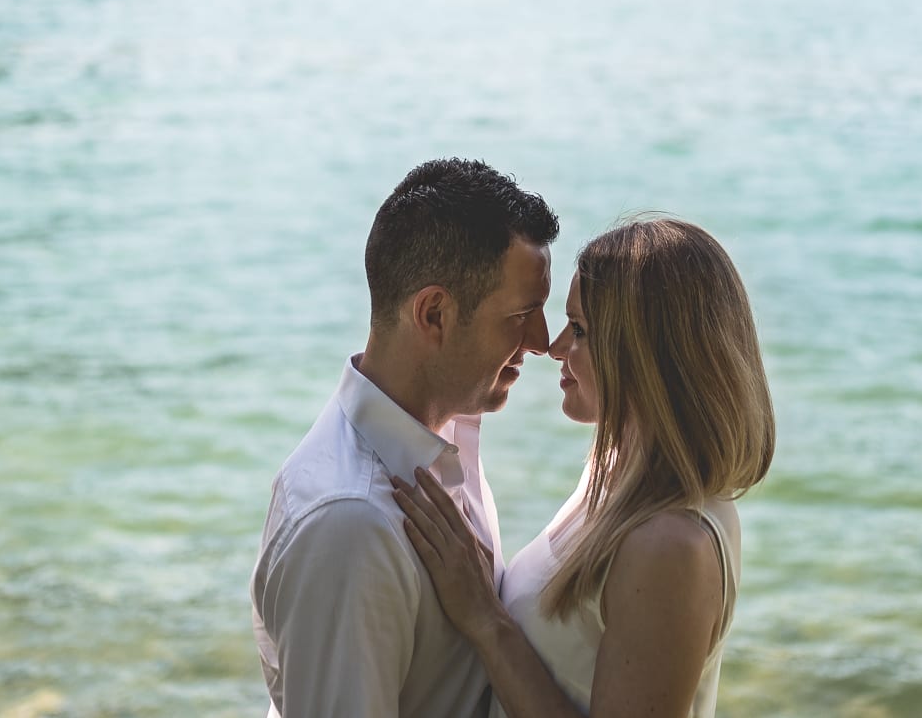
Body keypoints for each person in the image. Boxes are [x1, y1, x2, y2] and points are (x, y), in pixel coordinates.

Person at [392, 217, 775, 718]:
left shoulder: (670, 544)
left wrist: (485, 618)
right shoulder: (617, 469)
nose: (554, 348)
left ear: (645, 355)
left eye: (579, 330)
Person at [252, 158, 561, 718]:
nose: (543, 341)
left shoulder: (445, 431)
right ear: (434, 314)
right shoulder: (350, 527)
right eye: (521, 314)